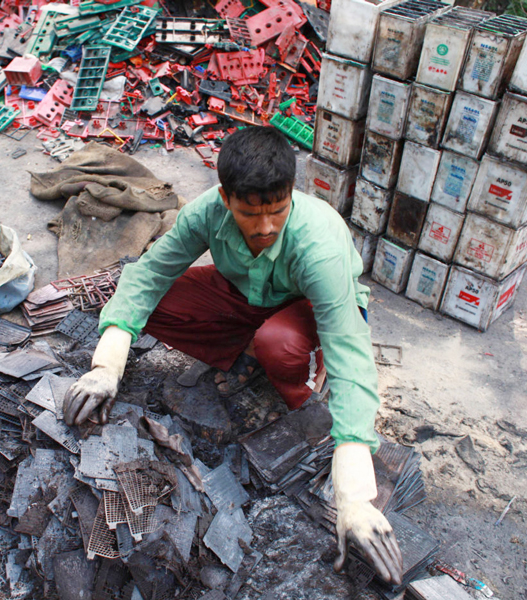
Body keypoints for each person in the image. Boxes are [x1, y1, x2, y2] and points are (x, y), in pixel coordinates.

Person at [62, 127, 402, 584]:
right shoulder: (207, 211)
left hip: (308, 309)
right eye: (249, 213)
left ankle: (295, 379)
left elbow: (351, 353)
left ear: (292, 194)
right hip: (246, 296)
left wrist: (355, 496)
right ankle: (249, 344)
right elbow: (147, 276)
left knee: (280, 345)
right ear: (226, 198)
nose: (265, 228)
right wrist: (106, 367)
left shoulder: (318, 247)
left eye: (278, 211)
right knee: (154, 305)